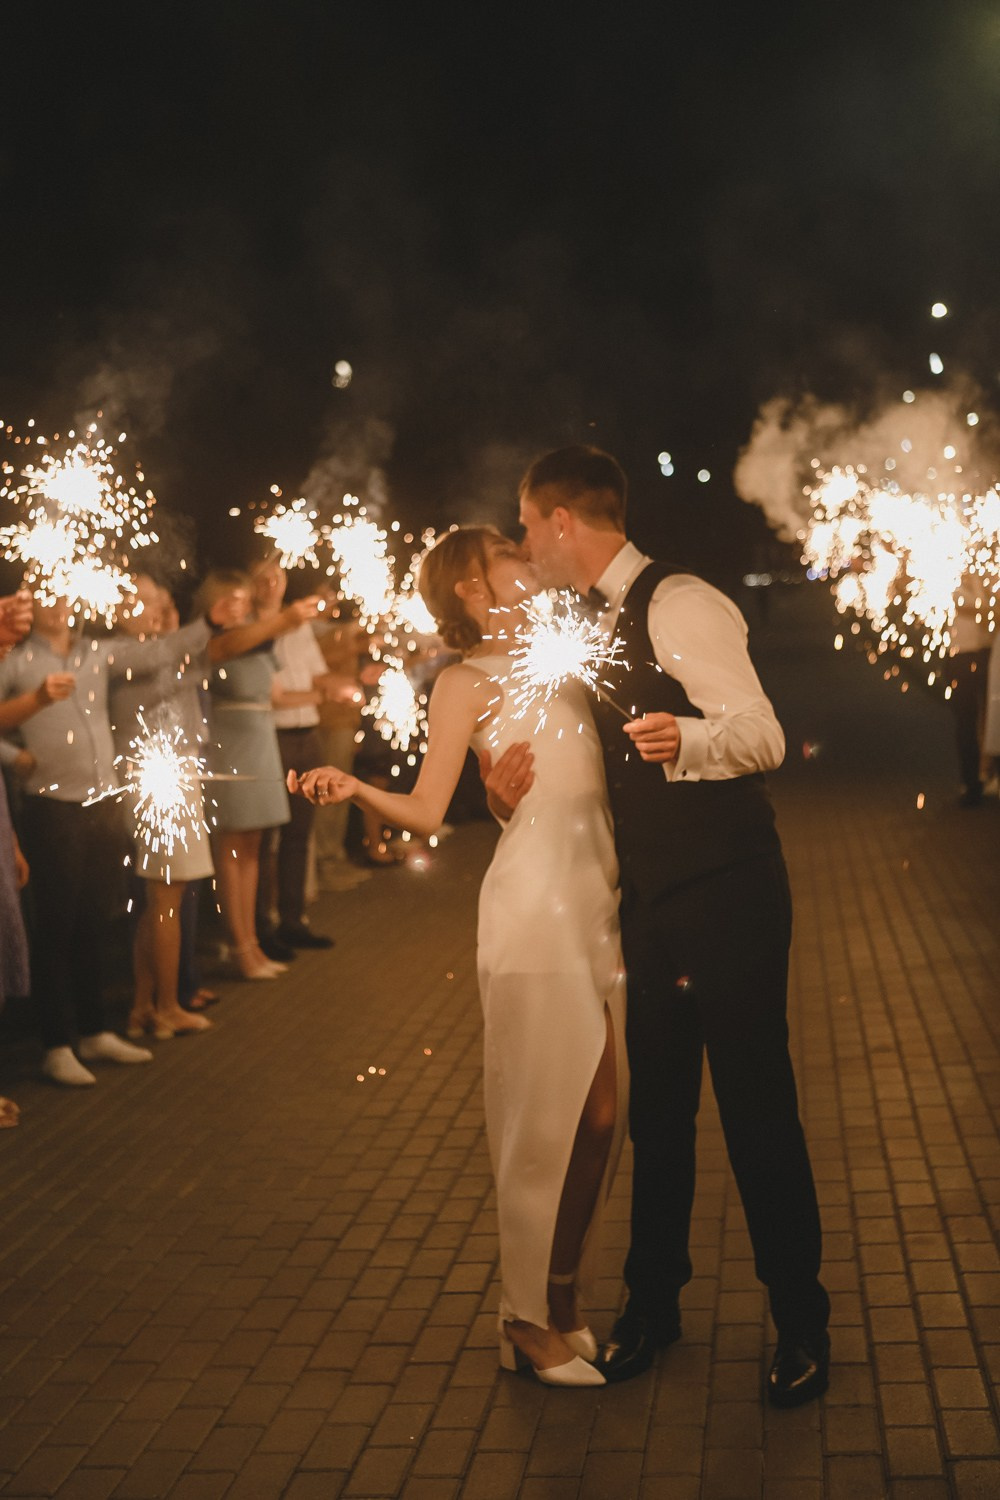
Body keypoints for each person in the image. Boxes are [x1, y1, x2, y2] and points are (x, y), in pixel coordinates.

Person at [496, 445, 829, 1407]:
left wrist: (690, 739)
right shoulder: (582, 624)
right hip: (648, 904)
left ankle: (801, 1321)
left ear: (563, 521)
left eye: (528, 524)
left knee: (757, 1103)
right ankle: (654, 1308)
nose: (526, 542)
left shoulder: (682, 602)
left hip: (728, 891)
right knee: (661, 1116)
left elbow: (762, 732)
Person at [289, 527, 626, 1388]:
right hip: (532, 913)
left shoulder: (562, 656)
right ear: (475, 585)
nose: (527, 555)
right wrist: (360, 787)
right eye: (509, 552)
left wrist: (508, 801)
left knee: (602, 1119)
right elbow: (431, 806)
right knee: (546, 1121)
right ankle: (522, 1318)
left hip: (598, 903)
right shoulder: (463, 681)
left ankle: (561, 1299)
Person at [199, 569, 320, 980]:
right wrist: (283, 619)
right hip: (229, 745)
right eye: (230, 599)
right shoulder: (210, 640)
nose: (239, 606)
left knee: (253, 848)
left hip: (261, 740)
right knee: (232, 850)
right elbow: (227, 646)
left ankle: (251, 940)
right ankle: (238, 945)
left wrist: (333, 690)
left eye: (241, 599)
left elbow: (278, 696)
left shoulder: (261, 641)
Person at [249, 554, 337, 951]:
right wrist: (321, 693)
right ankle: (261, 926)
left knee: (300, 834)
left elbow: (319, 676)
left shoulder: (299, 626)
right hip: (274, 737)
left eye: (278, 576)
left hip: (308, 735)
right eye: (262, 577)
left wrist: (345, 684)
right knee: (267, 836)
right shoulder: (253, 629)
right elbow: (275, 698)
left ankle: (293, 919)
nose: (272, 583)